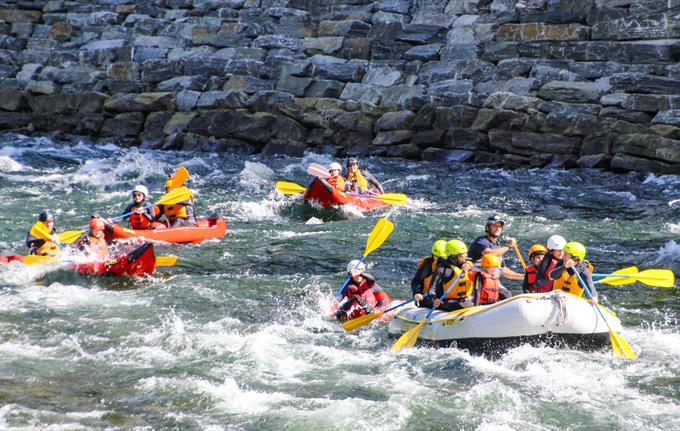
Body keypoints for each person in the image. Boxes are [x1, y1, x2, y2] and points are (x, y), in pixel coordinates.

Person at [468, 214, 523, 280]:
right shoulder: (480, 241)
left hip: (489, 282)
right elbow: (489, 254)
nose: (497, 228)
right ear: (487, 228)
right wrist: (508, 246)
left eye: (499, 226)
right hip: (476, 282)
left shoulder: (497, 246)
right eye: (494, 226)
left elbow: (503, 270)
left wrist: (524, 276)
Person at [427, 240, 475, 311]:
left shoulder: (467, 264)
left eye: (466, 253)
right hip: (447, 302)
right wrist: (434, 299)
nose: (466, 256)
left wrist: (470, 266)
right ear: (453, 256)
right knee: (463, 305)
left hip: (465, 300)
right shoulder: (442, 269)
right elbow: (432, 289)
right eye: (462, 254)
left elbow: (483, 267)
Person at [411, 239, 447, 308]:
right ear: (433, 255)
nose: (438, 260)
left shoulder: (450, 265)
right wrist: (416, 293)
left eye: (442, 257)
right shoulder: (427, 265)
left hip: (442, 298)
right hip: (426, 299)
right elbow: (415, 282)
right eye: (436, 256)